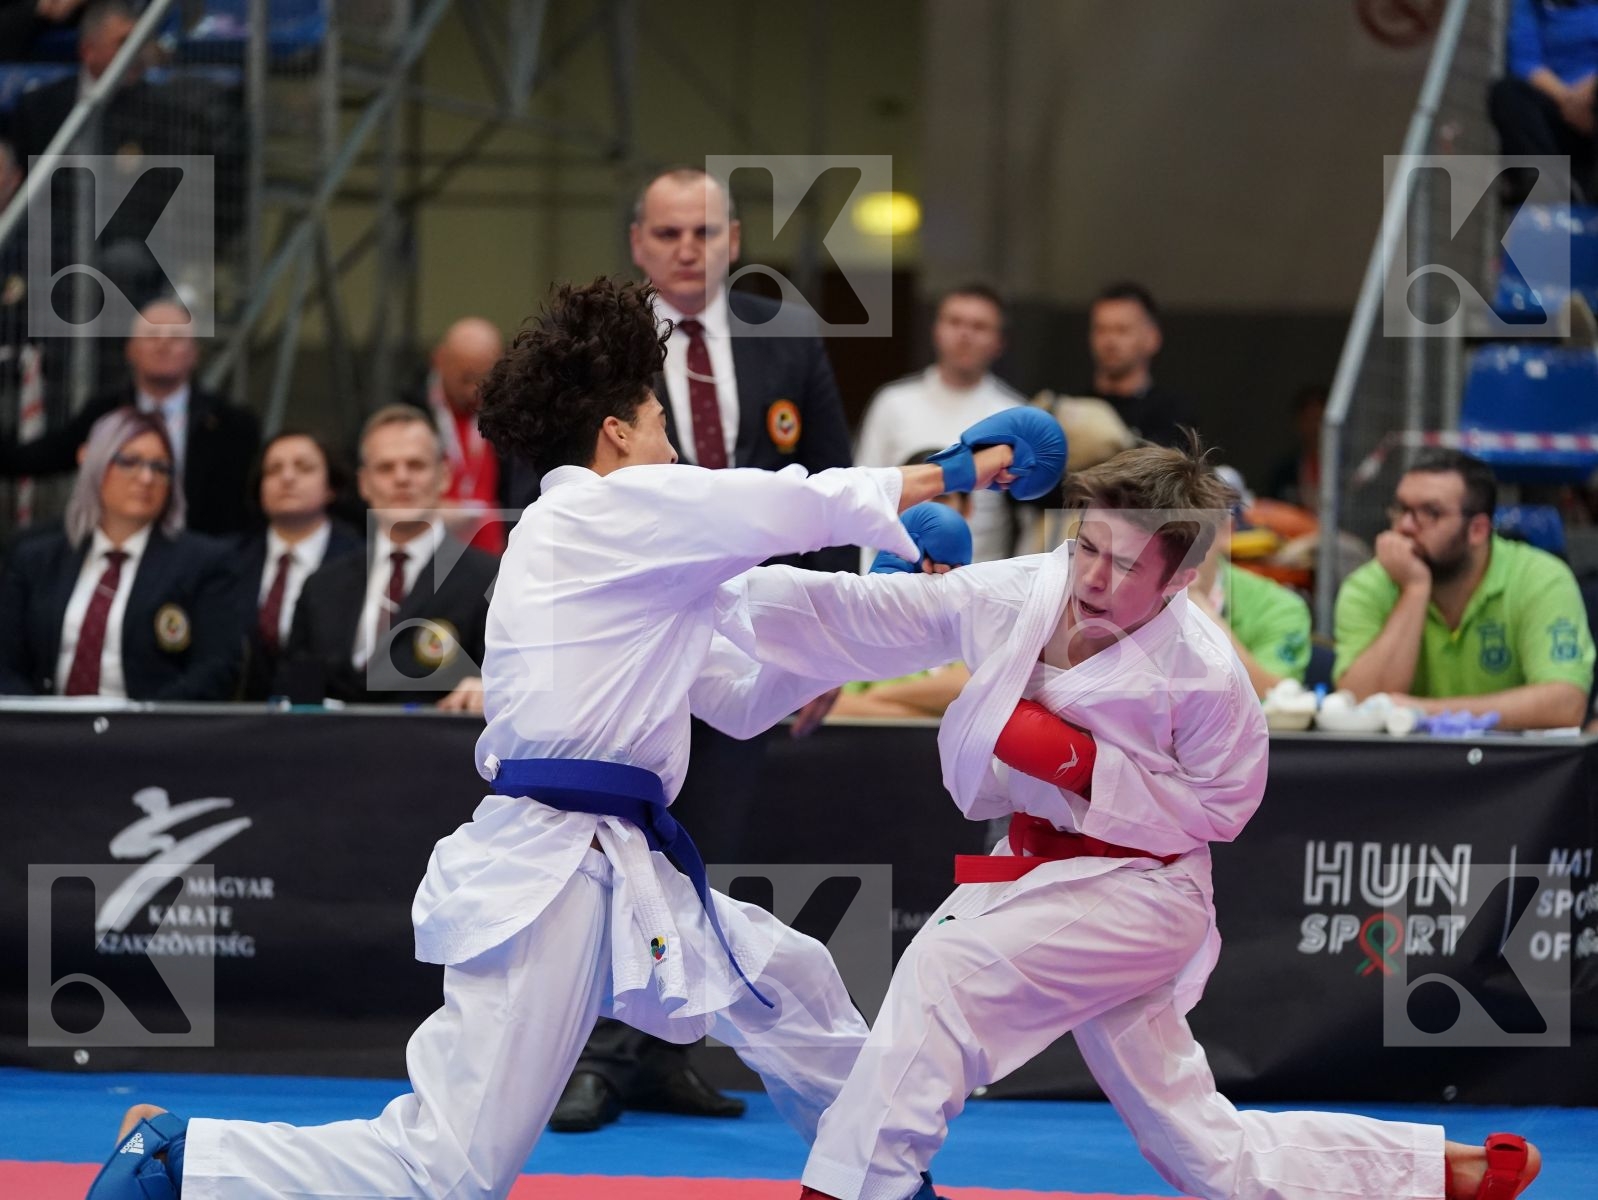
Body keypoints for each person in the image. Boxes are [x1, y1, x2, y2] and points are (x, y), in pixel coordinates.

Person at [81, 275, 1055, 1200]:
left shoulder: (623, 561)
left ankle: (880, 1179)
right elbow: (785, 505)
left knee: (790, 987)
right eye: (662, 422)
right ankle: (182, 1159)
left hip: (616, 863)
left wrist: (881, 599)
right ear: (616, 431)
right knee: (449, 1172)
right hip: (552, 869)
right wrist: (958, 468)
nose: (674, 445)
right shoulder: (602, 508)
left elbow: (741, 691)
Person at [705, 437, 1541, 1200]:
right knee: (1203, 1151)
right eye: (1087, 547)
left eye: (1126, 564)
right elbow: (867, 614)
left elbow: (1226, 810)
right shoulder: (1026, 593)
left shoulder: (1205, 676)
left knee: (945, 973)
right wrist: (700, 590)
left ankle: (860, 1191)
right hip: (1040, 868)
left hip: (1146, 891)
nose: (1094, 579)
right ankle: (1436, 1173)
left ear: (1179, 581)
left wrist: (1085, 766)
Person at [550, 164, 860, 1130]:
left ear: (732, 240)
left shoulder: (785, 338)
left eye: (704, 231)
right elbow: (551, 484)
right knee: (620, 844)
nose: (687, 249)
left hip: (744, 631)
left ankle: (661, 1053)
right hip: (632, 634)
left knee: (703, 852)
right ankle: (599, 1053)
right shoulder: (601, 349)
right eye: (667, 233)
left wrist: (825, 648)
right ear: (638, 244)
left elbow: (832, 486)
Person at [1334, 449, 1594, 730]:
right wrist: (1414, 590)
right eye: (1402, 509)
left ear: (1478, 530)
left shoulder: (1540, 578)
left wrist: (1424, 712)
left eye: (1430, 513)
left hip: (1509, 758)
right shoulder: (1368, 585)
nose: (1405, 526)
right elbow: (1357, 707)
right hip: (1404, 758)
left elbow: (1565, 705)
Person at [0, 407, 238, 699]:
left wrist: (140, 720)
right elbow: (5, 664)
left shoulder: (204, 562)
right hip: (47, 723)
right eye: (129, 461)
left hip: (151, 725)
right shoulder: (34, 559)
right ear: (96, 465)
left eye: (160, 467)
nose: (146, 478)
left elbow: (215, 671)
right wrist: (39, 719)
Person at [278, 406, 496, 712]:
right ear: (364, 483)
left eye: (416, 465)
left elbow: (515, 682)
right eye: (385, 468)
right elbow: (295, 696)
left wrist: (491, 686)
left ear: (444, 476)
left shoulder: (489, 580)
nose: (402, 478)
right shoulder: (322, 586)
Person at [0, 298, 261, 537]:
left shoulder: (231, 424)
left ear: (194, 354)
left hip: (205, 555)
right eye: (152, 335)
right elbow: (45, 455)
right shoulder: (105, 412)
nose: (163, 344)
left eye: (176, 337)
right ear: (131, 349)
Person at [854, 284, 1023, 563]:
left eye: (979, 326)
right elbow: (863, 495)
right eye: (955, 322)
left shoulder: (1015, 414)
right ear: (936, 330)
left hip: (985, 576)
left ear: (999, 342)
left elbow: (1030, 519)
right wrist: (862, 576)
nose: (965, 334)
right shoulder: (893, 403)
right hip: (896, 574)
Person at [231, 431, 360, 701]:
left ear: (331, 486)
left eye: (304, 467)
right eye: (273, 470)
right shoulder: (231, 560)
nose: (287, 477)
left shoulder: (361, 561)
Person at [399, 316, 526, 553]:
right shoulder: (405, 414)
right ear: (439, 360)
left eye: (485, 380)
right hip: (426, 547)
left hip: (495, 552)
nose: (474, 391)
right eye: (466, 378)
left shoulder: (514, 414)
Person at [1188, 473, 1312, 698]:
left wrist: (1199, 609)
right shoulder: (1123, 595)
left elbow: (1275, 696)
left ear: (1225, 531)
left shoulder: (1280, 606)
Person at [1488, 0, 1598, 203]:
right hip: (1559, 109)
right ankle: (1552, 189)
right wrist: (1569, 100)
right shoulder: (1530, 5)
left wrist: (1591, 91)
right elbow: (1524, 63)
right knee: (1506, 93)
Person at [1085, 281, 1193, 448]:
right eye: (1101, 329)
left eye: (1122, 330)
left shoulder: (1174, 417)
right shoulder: (1074, 410)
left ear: (1152, 338)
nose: (1110, 341)